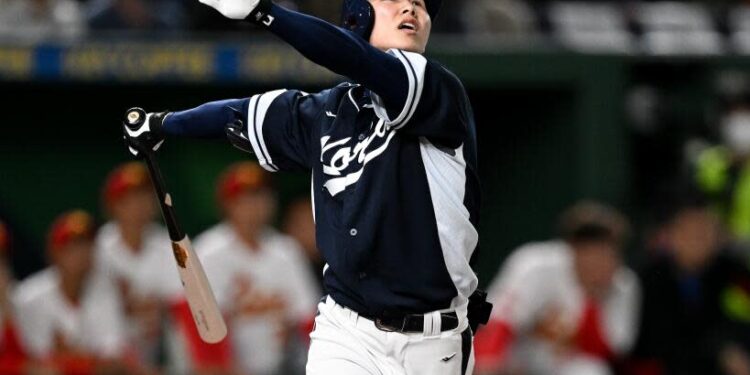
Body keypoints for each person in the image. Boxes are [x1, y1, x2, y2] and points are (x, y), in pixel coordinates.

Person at [121, 0, 486, 373]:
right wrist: (163, 124)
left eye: (421, 5)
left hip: (431, 341)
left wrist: (263, 11)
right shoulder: (324, 113)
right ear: (358, 15)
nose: (410, 7)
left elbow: (355, 58)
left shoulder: (439, 90)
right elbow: (240, 114)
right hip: (347, 329)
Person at [473, 201, 640, 375]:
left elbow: (611, 352)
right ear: (571, 246)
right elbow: (499, 321)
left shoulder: (624, 283)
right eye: (586, 243)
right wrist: (488, 361)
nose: (594, 255)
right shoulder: (536, 264)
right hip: (514, 355)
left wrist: (592, 299)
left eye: (604, 247)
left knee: (593, 370)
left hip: (561, 363)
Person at [191, 161, 320, 375]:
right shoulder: (208, 252)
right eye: (245, 198)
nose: (256, 205)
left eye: (262, 196)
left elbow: (308, 320)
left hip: (283, 366)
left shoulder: (286, 250)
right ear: (227, 205)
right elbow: (204, 330)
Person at [628, 190, 750, 375]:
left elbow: (735, 322)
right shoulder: (648, 277)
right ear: (672, 236)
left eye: (705, 231)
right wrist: (719, 351)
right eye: (690, 232)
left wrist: (729, 349)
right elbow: (657, 341)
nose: (698, 240)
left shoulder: (731, 270)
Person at [13, 210, 134, 374]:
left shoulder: (105, 292)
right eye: (73, 247)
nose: (82, 253)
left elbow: (114, 362)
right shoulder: (28, 296)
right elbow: (35, 365)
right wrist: (87, 359)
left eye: (87, 245)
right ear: (54, 253)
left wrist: (70, 357)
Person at [95, 162, 182, 371]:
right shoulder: (98, 248)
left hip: (157, 355)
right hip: (109, 362)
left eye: (144, 196)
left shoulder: (169, 244)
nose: (139, 205)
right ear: (112, 206)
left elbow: (179, 306)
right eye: (128, 199)